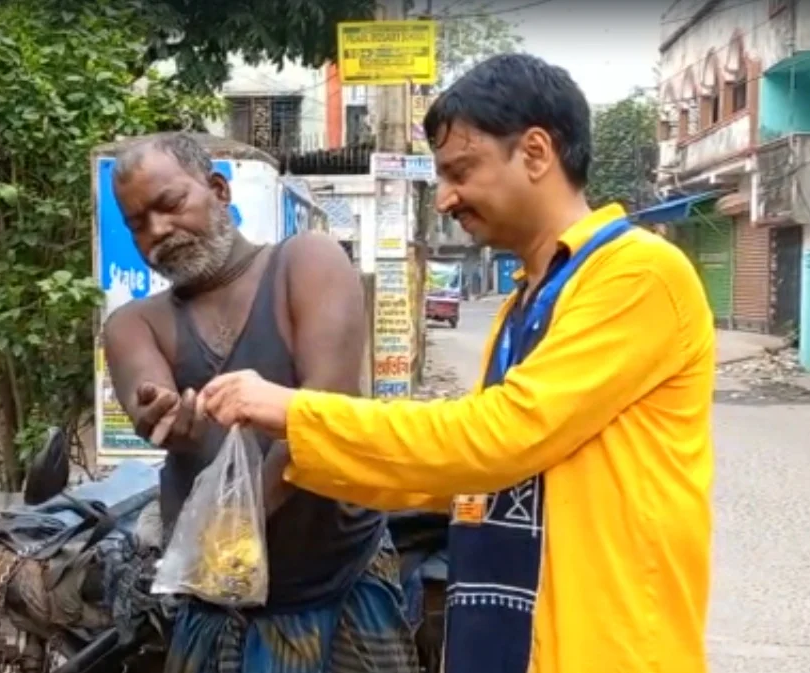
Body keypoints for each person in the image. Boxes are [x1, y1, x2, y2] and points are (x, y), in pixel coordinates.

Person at [199, 54, 714, 673]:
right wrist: (304, 456)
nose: (444, 199)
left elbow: (498, 438)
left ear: (535, 152)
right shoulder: (527, 300)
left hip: (603, 644)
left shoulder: (637, 275)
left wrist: (296, 412)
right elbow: (467, 475)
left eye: (460, 171)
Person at [102, 133, 418, 673]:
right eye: (137, 224)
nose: (157, 232)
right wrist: (160, 413)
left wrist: (233, 526)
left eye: (170, 205)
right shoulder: (134, 323)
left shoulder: (308, 263)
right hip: (216, 609)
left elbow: (322, 411)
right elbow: (150, 400)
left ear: (219, 190)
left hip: (339, 591)